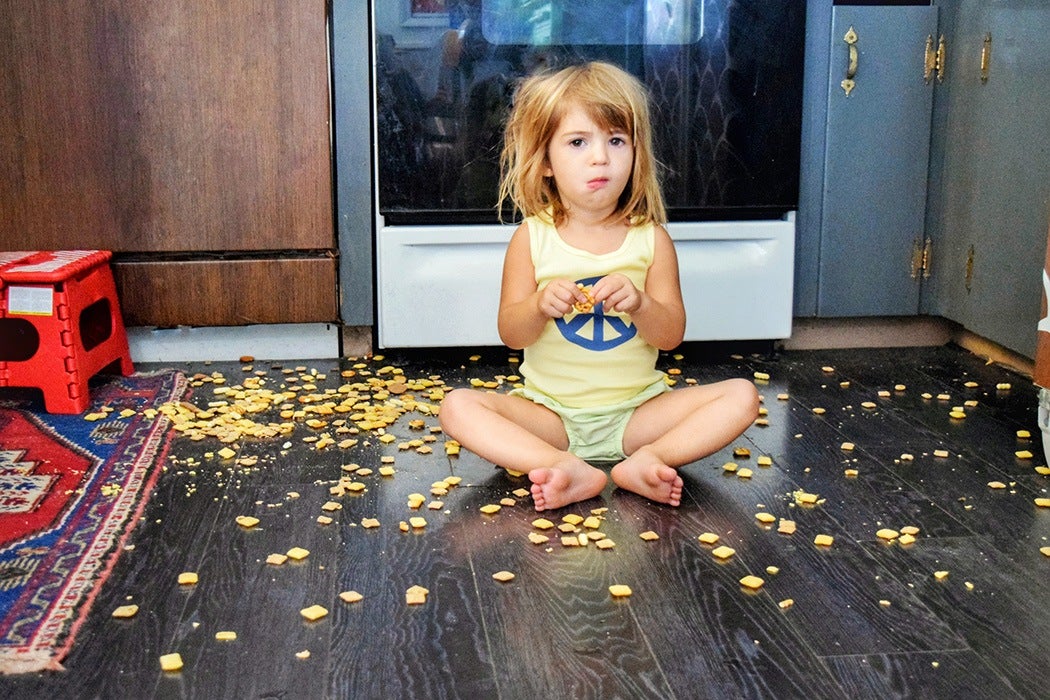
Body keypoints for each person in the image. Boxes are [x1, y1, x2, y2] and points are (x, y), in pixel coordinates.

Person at [439, 62, 759, 511]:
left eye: (616, 140)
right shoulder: (532, 238)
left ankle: (648, 461)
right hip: (550, 414)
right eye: (577, 142)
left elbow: (670, 336)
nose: (600, 158)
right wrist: (538, 305)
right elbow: (513, 334)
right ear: (546, 162)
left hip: (637, 414)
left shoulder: (652, 240)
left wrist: (642, 303)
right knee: (456, 407)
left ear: (636, 153)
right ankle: (560, 464)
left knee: (742, 397)